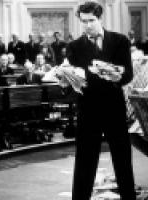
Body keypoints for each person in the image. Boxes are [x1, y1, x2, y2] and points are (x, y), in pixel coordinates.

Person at [66, 2, 136, 200]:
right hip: (88, 110)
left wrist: (117, 76)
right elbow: (72, 81)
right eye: (84, 21)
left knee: (122, 159)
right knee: (84, 162)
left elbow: (128, 74)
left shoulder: (120, 41)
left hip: (114, 108)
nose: (87, 25)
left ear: (100, 19)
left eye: (91, 20)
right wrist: (66, 79)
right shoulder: (74, 46)